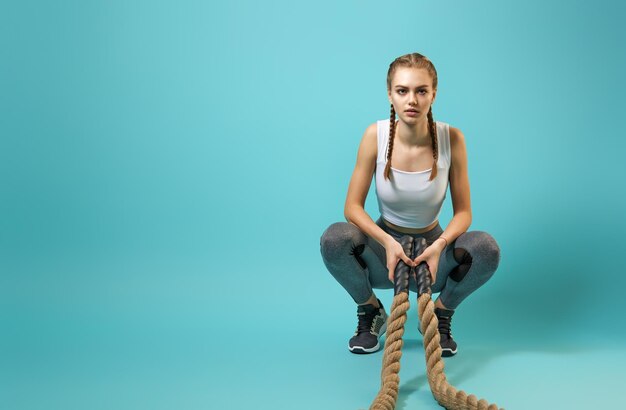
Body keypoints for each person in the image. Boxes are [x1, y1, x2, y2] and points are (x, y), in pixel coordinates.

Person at [319, 53, 501, 357]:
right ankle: (370, 310)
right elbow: (352, 207)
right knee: (335, 238)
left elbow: (464, 212)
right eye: (402, 90)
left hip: (433, 253)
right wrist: (388, 243)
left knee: (486, 249)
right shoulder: (373, 136)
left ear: (434, 93)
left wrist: (440, 245)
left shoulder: (452, 139)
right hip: (384, 251)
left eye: (421, 90)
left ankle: (440, 315)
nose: (412, 100)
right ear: (390, 94)